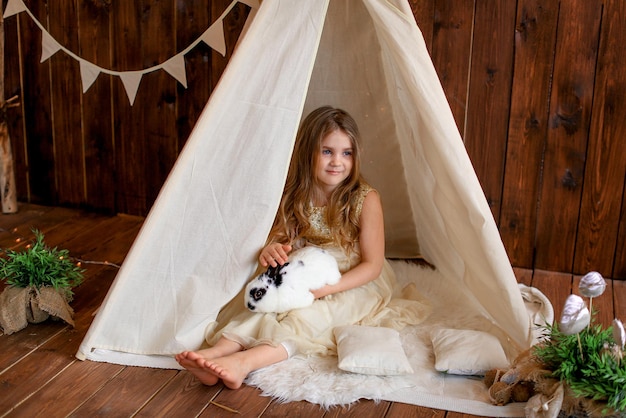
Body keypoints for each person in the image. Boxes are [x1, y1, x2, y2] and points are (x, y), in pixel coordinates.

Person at [175, 106, 430, 389]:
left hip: (353, 279)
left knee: (307, 317)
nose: (337, 162)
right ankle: (219, 351)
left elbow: (372, 266)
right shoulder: (295, 193)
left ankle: (244, 363)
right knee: (263, 298)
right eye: (327, 152)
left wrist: (327, 290)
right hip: (306, 267)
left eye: (346, 153)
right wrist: (271, 249)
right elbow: (281, 238)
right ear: (307, 151)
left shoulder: (364, 199)